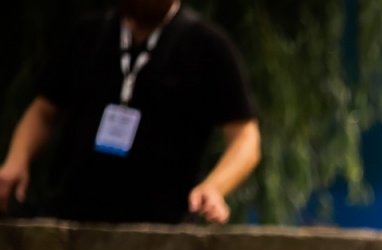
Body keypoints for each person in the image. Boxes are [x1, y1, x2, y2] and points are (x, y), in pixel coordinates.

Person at [0, 0, 260, 224]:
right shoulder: (87, 34)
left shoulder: (207, 45)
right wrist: (17, 158)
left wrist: (214, 188)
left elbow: (245, 137)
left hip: (162, 227)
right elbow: (44, 111)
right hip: (72, 216)